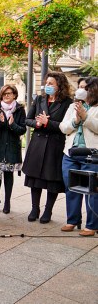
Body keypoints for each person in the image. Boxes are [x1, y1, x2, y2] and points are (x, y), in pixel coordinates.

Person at [22, 72, 73, 223]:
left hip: (55, 145)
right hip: (37, 144)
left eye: (51, 83)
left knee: (52, 181)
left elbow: (67, 126)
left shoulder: (67, 103)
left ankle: (48, 211)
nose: (47, 86)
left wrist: (47, 123)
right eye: (47, 83)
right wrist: (37, 124)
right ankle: (34, 208)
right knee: (35, 179)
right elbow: (27, 119)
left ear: (59, 86)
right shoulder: (39, 99)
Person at [60, 76, 98, 236]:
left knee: (92, 191)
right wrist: (75, 121)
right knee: (71, 188)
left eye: (85, 87)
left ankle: (92, 224)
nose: (81, 90)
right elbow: (63, 127)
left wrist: (86, 117)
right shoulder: (72, 106)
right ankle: (73, 220)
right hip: (70, 153)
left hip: (91, 155)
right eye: (80, 86)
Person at [0, 85, 26, 214]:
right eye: (4, 93)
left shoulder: (20, 109)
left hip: (11, 147)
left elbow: (23, 129)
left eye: (9, 93)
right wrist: (0, 122)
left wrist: (12, 125)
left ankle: (7, 202)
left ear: (14, 95)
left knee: (8, 175)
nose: (6, 96)